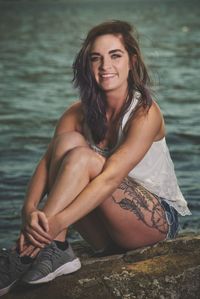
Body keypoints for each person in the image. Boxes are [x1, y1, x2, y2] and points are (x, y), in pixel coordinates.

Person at [0, 20, 191, 296]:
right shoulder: (76, 113)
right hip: (105, 235)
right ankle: (58, 249)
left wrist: (51, 224)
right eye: (96, 58)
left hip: (154, 225)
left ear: (131, 61)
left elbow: (110, 178)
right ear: (87, 65)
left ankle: (28, 253)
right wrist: (28, 212)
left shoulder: (145, 113)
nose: (105, 66)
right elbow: (45, 164)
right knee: (66, 143)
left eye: (115, 55)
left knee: (84, 158)